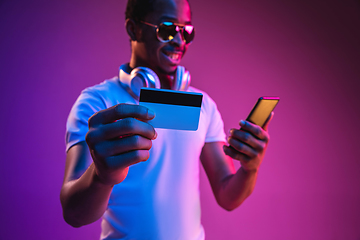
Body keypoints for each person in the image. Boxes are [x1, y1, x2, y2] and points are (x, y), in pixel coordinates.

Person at [60, 0, 273, 239]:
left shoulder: (204, 105)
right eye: (167, 29)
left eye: (187, 32)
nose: (180, 41)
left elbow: (228, 195)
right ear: (133, 29)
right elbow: (74, 213)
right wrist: (101, 177)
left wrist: (250, 168)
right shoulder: (97, 102)